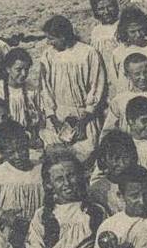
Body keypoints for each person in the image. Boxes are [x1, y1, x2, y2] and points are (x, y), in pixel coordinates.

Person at [38, 15, 108, 157]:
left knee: (86, 155)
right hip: (58, 115)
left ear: (63, 36)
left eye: (52, 38)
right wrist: (53, 119)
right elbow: (45, 88)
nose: (49, 42)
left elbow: (96, 86)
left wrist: (84, 121)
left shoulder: (88, 53)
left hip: (84, 116)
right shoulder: (48, 55)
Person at [0, 121, 44, 244]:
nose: (18, 156)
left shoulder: (40, 170)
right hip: (8, 235)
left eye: (22, 149)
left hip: (39, 232)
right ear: (1, 152)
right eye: (11, 152)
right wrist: (3, 216)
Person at [0, 48, 44, 143]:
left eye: (26, 69)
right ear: (8, 69)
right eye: (18, 69)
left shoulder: (32, 89)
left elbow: (40, 114)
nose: (23, 74)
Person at [109, 6, 147, 95]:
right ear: (125, 31)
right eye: (133, 32)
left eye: (140, 30)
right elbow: (114, 81)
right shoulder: (118, 53)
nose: (138, 35)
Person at [103, 53, 147, 133]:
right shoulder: (119, 100)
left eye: (146, 72)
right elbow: (108, 130)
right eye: (137, 74)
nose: (143, 77)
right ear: (127, 75)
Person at [88, 130, 139, 214]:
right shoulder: (98, 190)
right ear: (104, 159)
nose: (122, 164)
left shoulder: (140, 183)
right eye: (116, 158)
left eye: (126, 157)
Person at [87, 0, 121, 66]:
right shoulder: (95, 31)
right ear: (95, 11)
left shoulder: (121, 26)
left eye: (109, 7)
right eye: (101, 9)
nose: (106, 12)